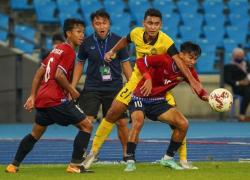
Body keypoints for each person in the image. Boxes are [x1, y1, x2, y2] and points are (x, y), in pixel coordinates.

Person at [83, 8, 204, 170]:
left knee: (179, 124)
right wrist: (112, 51)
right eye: (150, 23)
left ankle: (182, 160)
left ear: (161, 25)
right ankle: (93, 152)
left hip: (160, 87)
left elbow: (179, 62)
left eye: (156, 24)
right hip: (136, 82)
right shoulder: (136, 33)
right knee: (113, 113)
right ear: (144, 23)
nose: (153, 27)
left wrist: (193, 81)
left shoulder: (166, 41)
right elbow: (125, 41)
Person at [5, 18, 93, 174]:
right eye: (78, 32)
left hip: (43, 99)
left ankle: (13, 165)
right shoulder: (68, 51)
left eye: (83, 33)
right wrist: (72, 91)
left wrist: (33, 96)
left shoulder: (56, 49)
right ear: (68, 33)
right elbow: (59, 75)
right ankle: (74, 165)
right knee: (86, 126)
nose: (82, 36)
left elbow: (39, 74)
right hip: (56, 100)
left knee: (35, 133)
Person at [124, 41, 208, 171]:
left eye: (195, 59)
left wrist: (210, 99)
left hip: (158, 101)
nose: (193, 61)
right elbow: (141, 62)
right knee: (138, 122)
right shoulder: (164, 59)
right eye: (190, 57)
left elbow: (199, 89)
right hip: (140, 97)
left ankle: (167, 159)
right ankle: (130, 160)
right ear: (180, 54)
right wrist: (147, 78)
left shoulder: (189, 71)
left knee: (183, 123)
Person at [72, 9, 132, 160]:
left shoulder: (120, 41)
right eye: (97, 23)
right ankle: (86, 153)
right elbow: (79, 65)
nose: (101, 26)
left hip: (114, 88)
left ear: (109, 24)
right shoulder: (85, 43)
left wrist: (132, 86)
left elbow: (126, 65)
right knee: (87, 121)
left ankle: (127, 153)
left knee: (122, 122)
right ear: (92, 25)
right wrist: (72, 86)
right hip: (92, 88)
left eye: (104, 22)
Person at [224, 47, 250, 122]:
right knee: (248, 91)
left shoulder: (246, 64)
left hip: (248, 84)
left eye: (241, 56)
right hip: (238, 87)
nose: (240, 57)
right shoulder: (228, 66)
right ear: (233, 56)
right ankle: (242, 115)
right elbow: (227, 79)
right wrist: (239, 82)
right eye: (238, 56)